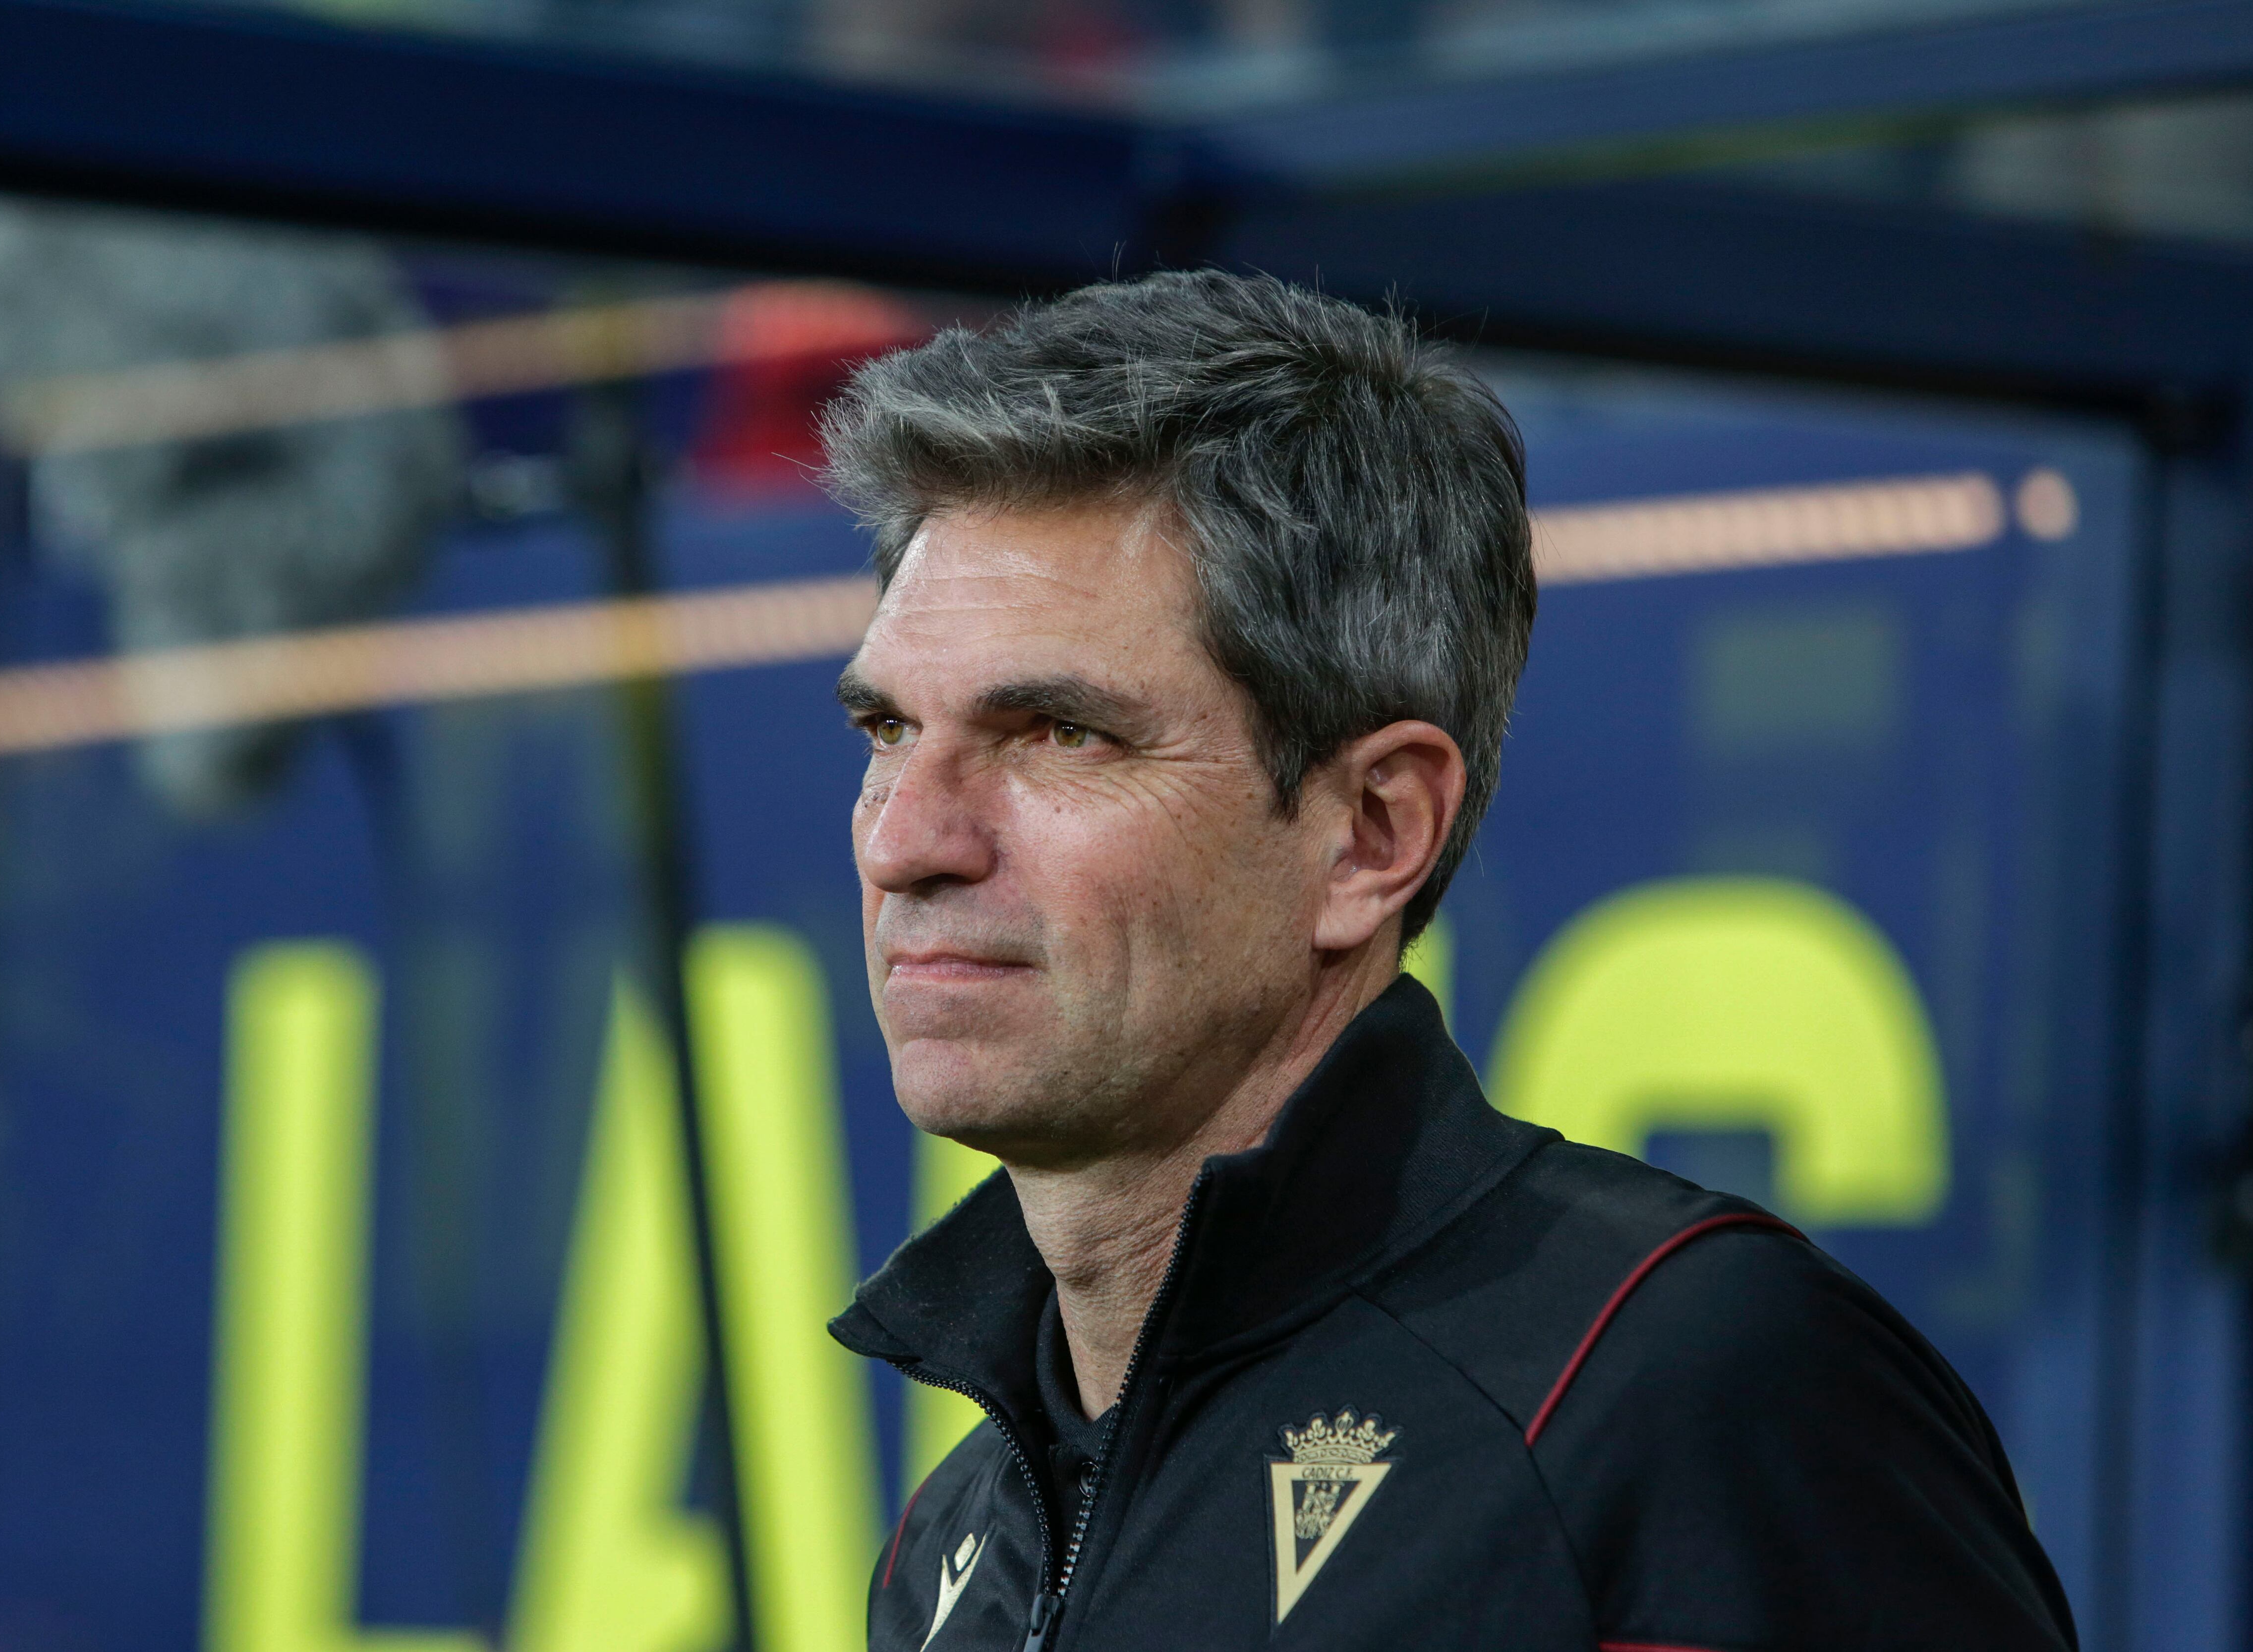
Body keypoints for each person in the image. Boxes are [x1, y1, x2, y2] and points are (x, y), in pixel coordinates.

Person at [820, 272, 2075, 1651]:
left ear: (1371, 832)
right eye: (888, 732)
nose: (909, 841)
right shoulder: (954, 1538)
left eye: (1061, 733)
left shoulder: (1686, 1388)